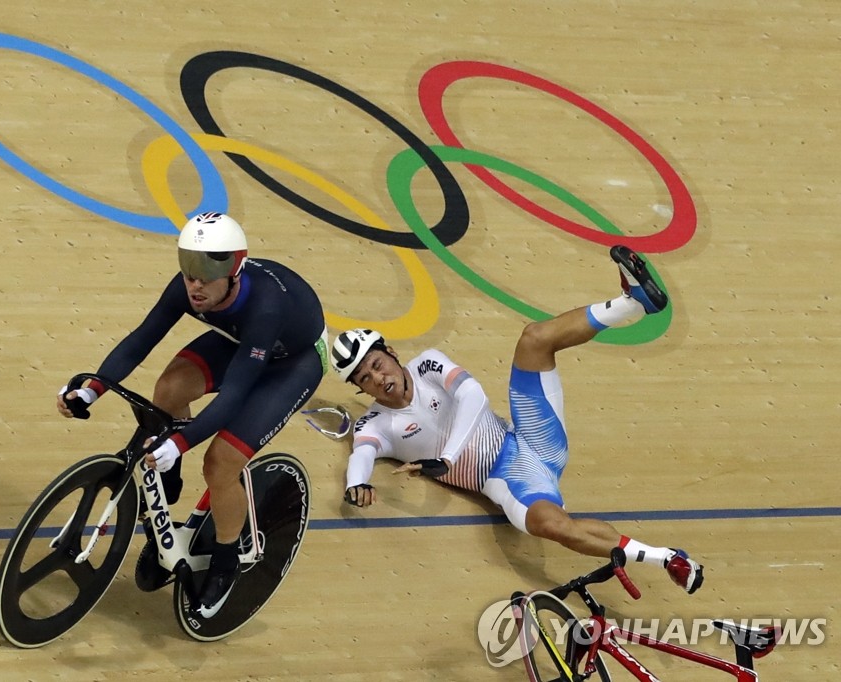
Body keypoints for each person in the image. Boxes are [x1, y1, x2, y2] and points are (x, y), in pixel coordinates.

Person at [331, 246, 704, 594]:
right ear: (361, 389)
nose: (378, 378)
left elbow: (474, 396)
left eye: (377, 364)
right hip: (505, 480)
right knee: (552, 526)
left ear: (391, 352)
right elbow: (361, 454)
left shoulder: (427, 364)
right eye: (365, 378)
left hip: (530, 436)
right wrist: (355, 485)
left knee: (534, 338)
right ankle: (667, 558)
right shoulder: (375, 424)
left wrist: (447, 458)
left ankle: (632, 303)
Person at [57, 212, 329, 616]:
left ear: (234, 272)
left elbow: (234, 394)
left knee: (220, 463)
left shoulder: (267, 306)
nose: (195, 285)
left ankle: (226, 559)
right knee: (169, 390)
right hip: (241, 342)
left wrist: (179, 443)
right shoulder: (189, 287)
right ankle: (169, 487)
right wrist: (91, 389)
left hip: (292, 363)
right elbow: (141, 340)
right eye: (188, 271)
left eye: (206, 275)